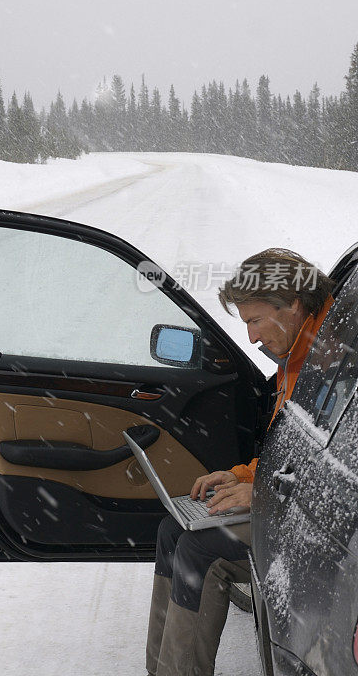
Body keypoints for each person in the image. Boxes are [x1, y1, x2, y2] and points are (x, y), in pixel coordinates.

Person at [145, 248, 335, 676]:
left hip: (321, 522)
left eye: (254, 321)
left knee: (201, 550)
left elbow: (341, 469)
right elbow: (294, 452)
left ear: (295, 305)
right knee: (173, 530)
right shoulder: (299, 360)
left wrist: (264, 494)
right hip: (290, 499)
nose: (251, 339)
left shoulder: (336, 362)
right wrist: (240, 475)